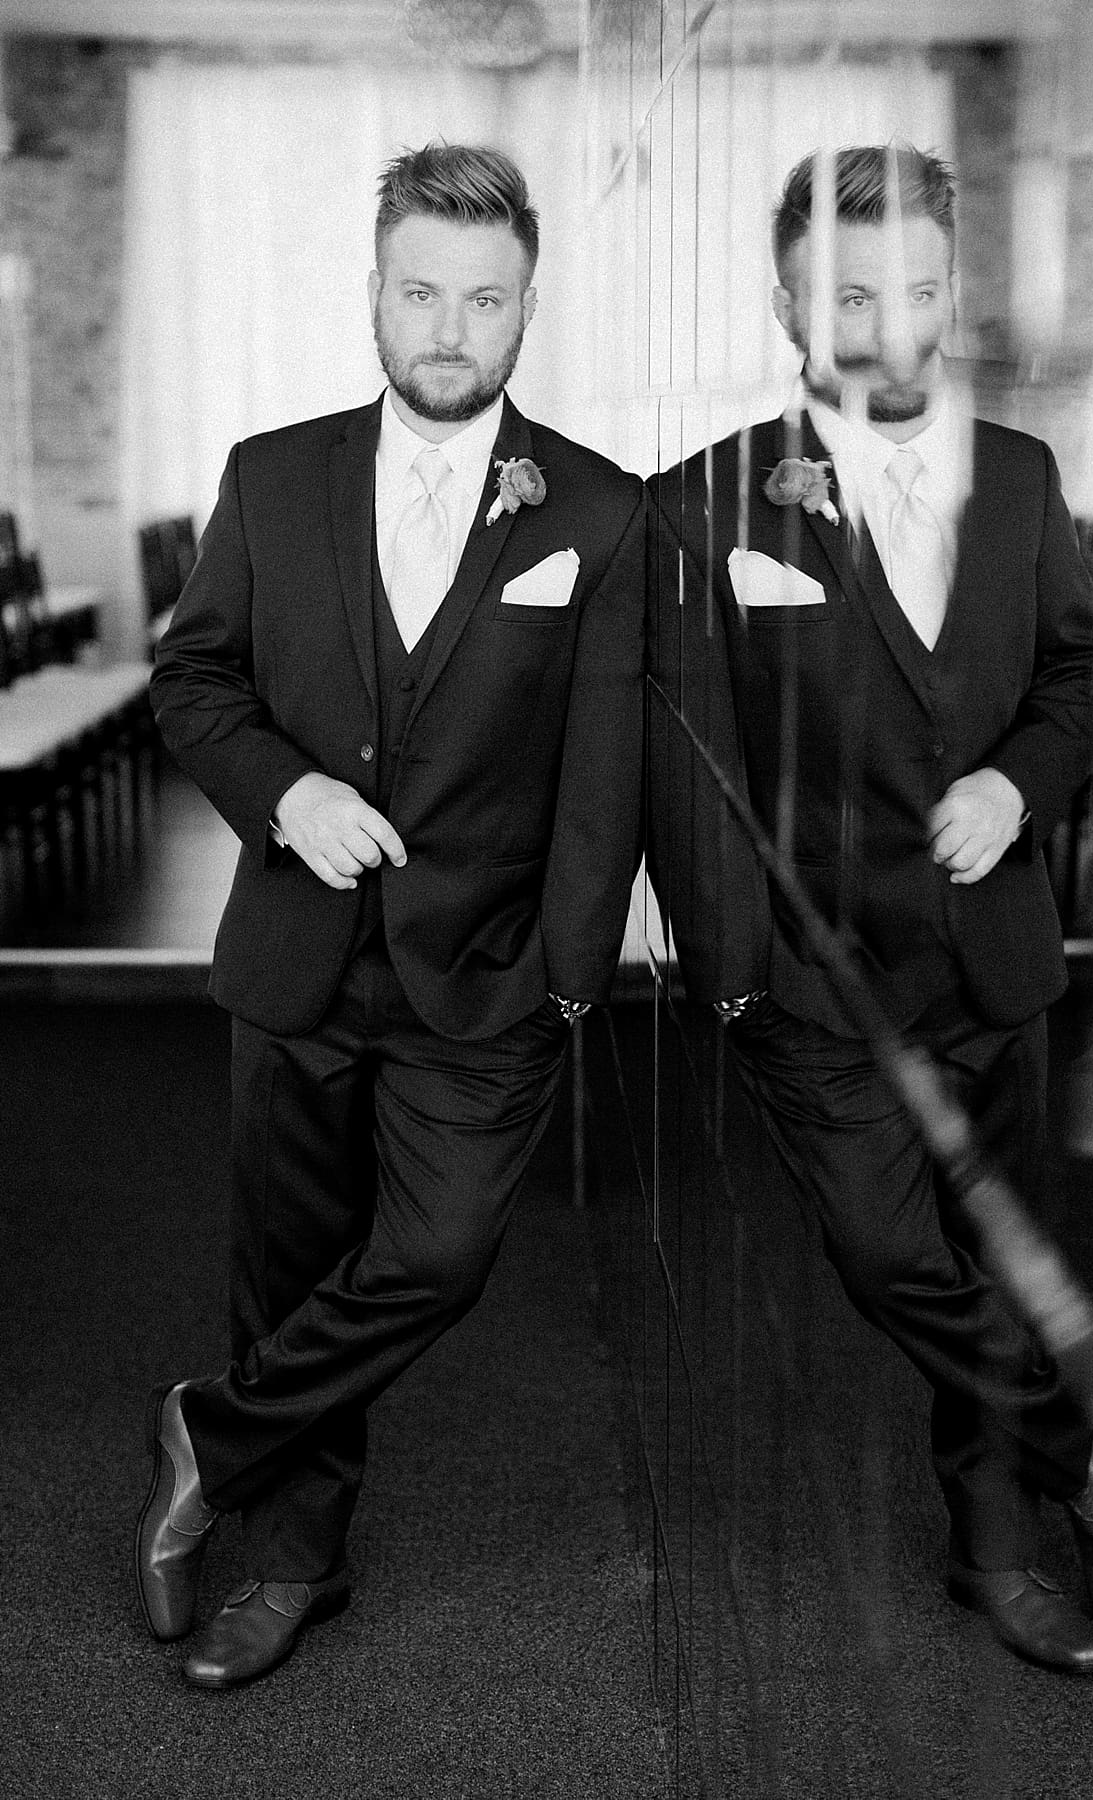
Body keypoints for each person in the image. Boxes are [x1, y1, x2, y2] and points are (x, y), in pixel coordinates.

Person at [139, 143, 644, 1690]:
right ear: (373, 291)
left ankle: (206, 1432)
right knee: (289, 1272)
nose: (448, 326)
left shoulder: (604, 513)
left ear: (527, 309)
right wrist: (285, 794)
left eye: (483, 299)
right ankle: (293, 1563)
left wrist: (571, 985)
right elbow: (196, 680)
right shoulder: (269, 476)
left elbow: (602, 774)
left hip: (486, 979)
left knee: (432, 1259)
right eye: (420, 290)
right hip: (297, 952)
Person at [646, 144, 1093, 1674]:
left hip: (992, 959)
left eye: (918, 288)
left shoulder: (1028, 478)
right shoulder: (701, 506)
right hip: (816, 977)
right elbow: (688, 757)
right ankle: (1078, 1434)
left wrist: (1017, 786)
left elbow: (1081, 680)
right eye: (851, 292)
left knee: (991, 1258)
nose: (889, 322)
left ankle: (997, 1543)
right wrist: (732, 978)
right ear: (790, 300)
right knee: (887, 1256)